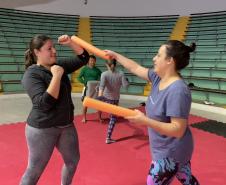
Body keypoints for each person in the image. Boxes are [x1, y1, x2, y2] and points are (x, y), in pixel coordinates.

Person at [104, 40, 200, 184]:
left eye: (158, 55)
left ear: (169, 60)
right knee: (185, 177)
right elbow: (135, 67)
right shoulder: (157, 78)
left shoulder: (178, 90)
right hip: (168, 148)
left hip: (172, 152)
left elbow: (178, 129)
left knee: (153, 181)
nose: (154, 58)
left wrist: (144, 120)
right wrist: (115, 56)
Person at [20, 34, 89, 185]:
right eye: (49, 48)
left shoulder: (58, 65)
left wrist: (71, 43)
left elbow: (83, 57)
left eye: (54, 47)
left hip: (66, 125)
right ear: (37, 52)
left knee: (72, 162)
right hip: (42, 128)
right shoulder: (31, 74)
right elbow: (44, 103)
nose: (54, 51)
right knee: (34, 171)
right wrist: (57, 76)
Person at [96, 59, 129, 144]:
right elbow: (126, 86)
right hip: (114, 99)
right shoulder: (121, 74)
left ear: (112, 65)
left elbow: (101, 87)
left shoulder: (104, 74)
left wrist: (99, 98)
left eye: (107, 65)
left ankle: (100, 117)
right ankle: (108, 138)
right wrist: (126, 80)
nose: (106, 66)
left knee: (112, 116)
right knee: (113, 118)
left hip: (106, 98)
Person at [77, 55, 102, 123]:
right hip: (87, 88)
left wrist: (100, 83)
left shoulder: (97, 70)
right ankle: (84, 117)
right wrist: (84, 82)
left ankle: (99, 117)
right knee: (86, 103)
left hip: (96, 89)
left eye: (94, 61)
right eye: (91, 60)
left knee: (99, 103)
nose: (92, 62)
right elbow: (78, 78)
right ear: (88, 61)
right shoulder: (84, 69)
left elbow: (102, 77)